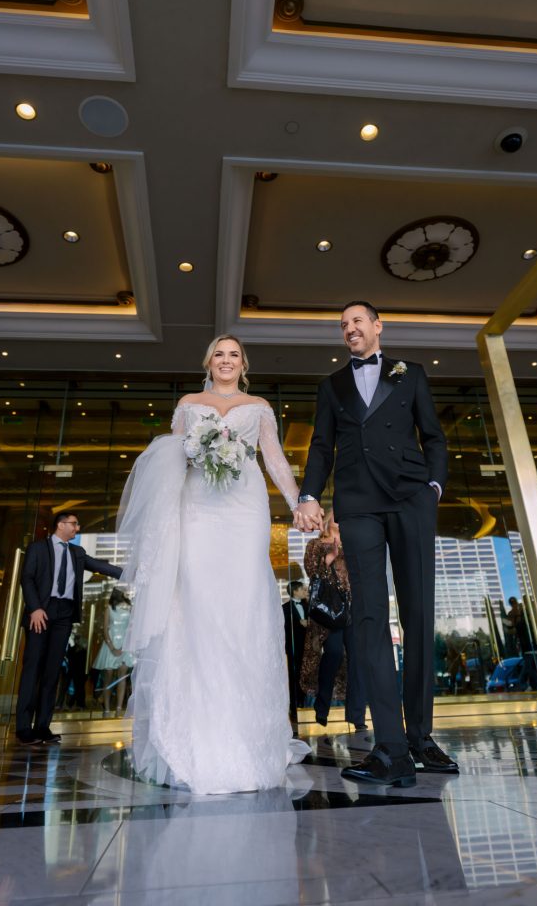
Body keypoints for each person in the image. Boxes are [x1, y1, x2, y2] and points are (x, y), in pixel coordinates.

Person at [120, 334, 310, 794]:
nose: (226, 361)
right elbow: (174, 459)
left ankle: (250, 734)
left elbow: (275, 460)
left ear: (244, 364)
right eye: (219, 355)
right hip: (198, 507)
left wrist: (299, 501)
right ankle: (196, 734)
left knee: (243, 607)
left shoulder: (259, 406)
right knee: (199, 607)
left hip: (245, 508)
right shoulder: (189, 403)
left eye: (234, 355)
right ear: (209, 362)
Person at [294, 300, 456, 787]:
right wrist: (308, 494)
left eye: (357, 321)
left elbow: (435, 437)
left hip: (410, 497)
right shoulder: (332, 386)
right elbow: (322, 444)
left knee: (417, 612)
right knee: (367, 618)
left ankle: (421, 737)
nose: (349, 329)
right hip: (358, 503)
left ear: (378, 326)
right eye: (343, 325)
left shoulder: (412, 374)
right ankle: (391, 748)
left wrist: (434, 489)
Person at [15, 511, 122, 744]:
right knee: (33, 669)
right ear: (61, 525)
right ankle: (23, 728)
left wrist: (129, 573)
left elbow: (100, 566)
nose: (77, 527)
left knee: (52, 672)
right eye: (74, 524)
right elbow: (27, 578)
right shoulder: (38, 548)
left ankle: (42, 726)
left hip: (64, 614)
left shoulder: (77, 552)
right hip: (41, 613)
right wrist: (34, 608)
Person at [301, 512, 367, 730]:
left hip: (353, 610)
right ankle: (322, 708)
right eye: (337, 516)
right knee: (334, 653)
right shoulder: (316, 544)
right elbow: (312, 573)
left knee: (357, 660)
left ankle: (357, 717)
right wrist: (329, 557)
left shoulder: (352, 545)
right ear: (329, 521)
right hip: (331, 613)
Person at [93, 587, 134, 715]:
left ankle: (118, 709)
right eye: (123, 588)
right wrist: (112, 648)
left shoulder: (130, 607)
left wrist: (124, 646)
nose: (126, 590)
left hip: (125, 646)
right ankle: (106, 709)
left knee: (122, 678)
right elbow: (105, 630)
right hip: (110, 645)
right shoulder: (109, 608)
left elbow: (132, 628)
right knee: (108, 678)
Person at [283, 578, 308, 723]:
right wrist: (298, 624)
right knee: (294, 676)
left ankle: (307, 704)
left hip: (309, 648)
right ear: (295, 591)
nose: (305, 591)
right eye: (303, 589)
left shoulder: (309, 605)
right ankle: (295, 706)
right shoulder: (285, 608)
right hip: (294, 648)